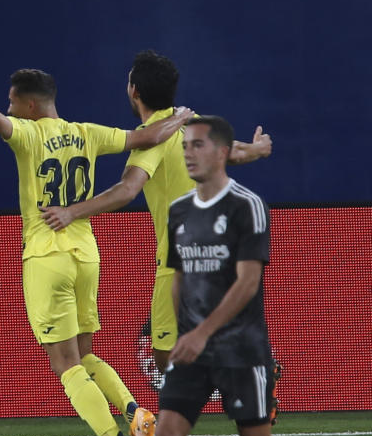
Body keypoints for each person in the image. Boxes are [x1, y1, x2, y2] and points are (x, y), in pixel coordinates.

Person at [0, 60, 193, 436]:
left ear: (29, 105)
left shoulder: (27, 134)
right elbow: (150, 135)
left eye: (13, 103)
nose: (8, 110)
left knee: (64, 364)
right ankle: (138, 416)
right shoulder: (88, 132)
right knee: (84, 354)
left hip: (46, 256)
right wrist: (180, 118)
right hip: (86, 255)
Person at [40, 50, 271, 380]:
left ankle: (244, 370)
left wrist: (70, 212)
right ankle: (245, 366)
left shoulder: (153, 136)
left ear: (134, 90)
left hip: (178, 257)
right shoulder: (194, 124)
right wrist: (259, 149)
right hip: (221, 247)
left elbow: (127, 190)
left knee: (164, 354)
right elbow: (232, 153)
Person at [121, 115, 282, 436]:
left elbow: (249, 282)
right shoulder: (179, 211)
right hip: (192, 350)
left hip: (239, 349)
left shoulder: (246, 206)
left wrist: (203, 331)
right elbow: (178, 278)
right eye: (185, 146)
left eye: (196, 145)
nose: (187, 152)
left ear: (222, 152)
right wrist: (177, 331)